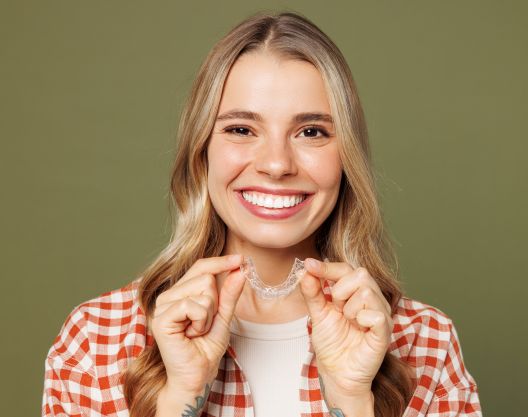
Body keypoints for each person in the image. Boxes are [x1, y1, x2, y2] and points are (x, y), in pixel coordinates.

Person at [42, 10, 482, 417]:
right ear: (202, 153)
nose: (276, 164)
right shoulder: (95, 340)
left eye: (311, 132)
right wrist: (179, 397)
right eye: (240, 129)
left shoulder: (426, 341)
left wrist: (351, 400)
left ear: (346, 157)